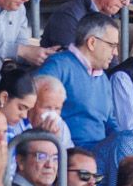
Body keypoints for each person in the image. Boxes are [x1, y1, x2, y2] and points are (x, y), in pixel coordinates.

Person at [35, 13, 120, 166]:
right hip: (69, 155)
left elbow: (110, 123)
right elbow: (39, 107)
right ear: (92, 42)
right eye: (112, 45)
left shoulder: (104, 79)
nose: (115, 53)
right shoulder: (59, 65)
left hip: (99, 156)